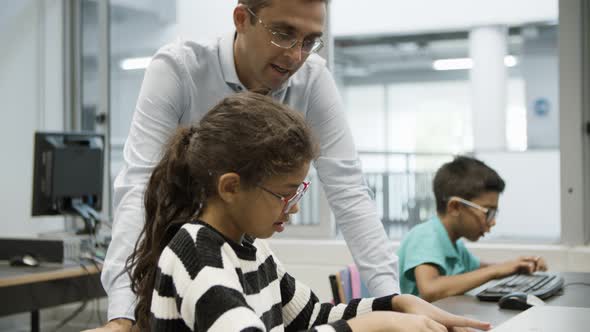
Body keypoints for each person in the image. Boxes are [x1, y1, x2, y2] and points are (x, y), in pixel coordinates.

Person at [98, 1, 403, 330]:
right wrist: (122, 315)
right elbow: (139, 186)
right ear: (242, 19)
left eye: (310, 40)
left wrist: (395, 304)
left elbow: (350, 193)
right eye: (284, 33)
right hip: (184, 264)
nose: (297, 55)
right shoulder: (179, 68)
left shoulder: (258, 253)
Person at [127, 93, 491, 331]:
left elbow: (313, 316)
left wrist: (397, 304)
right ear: (231, 188)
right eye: (285, 193)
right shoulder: (195, 251)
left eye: (299, 191)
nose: (295, 205)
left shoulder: (254, 249)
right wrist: (374, 325)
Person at [397, 156, 548, 302]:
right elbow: (430, 290)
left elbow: (479, 270)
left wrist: (516, 266)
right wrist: (495, 271)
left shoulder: (455, 245)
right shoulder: (425, 236)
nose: (493, 221)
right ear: (455, 207)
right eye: (488, 212)